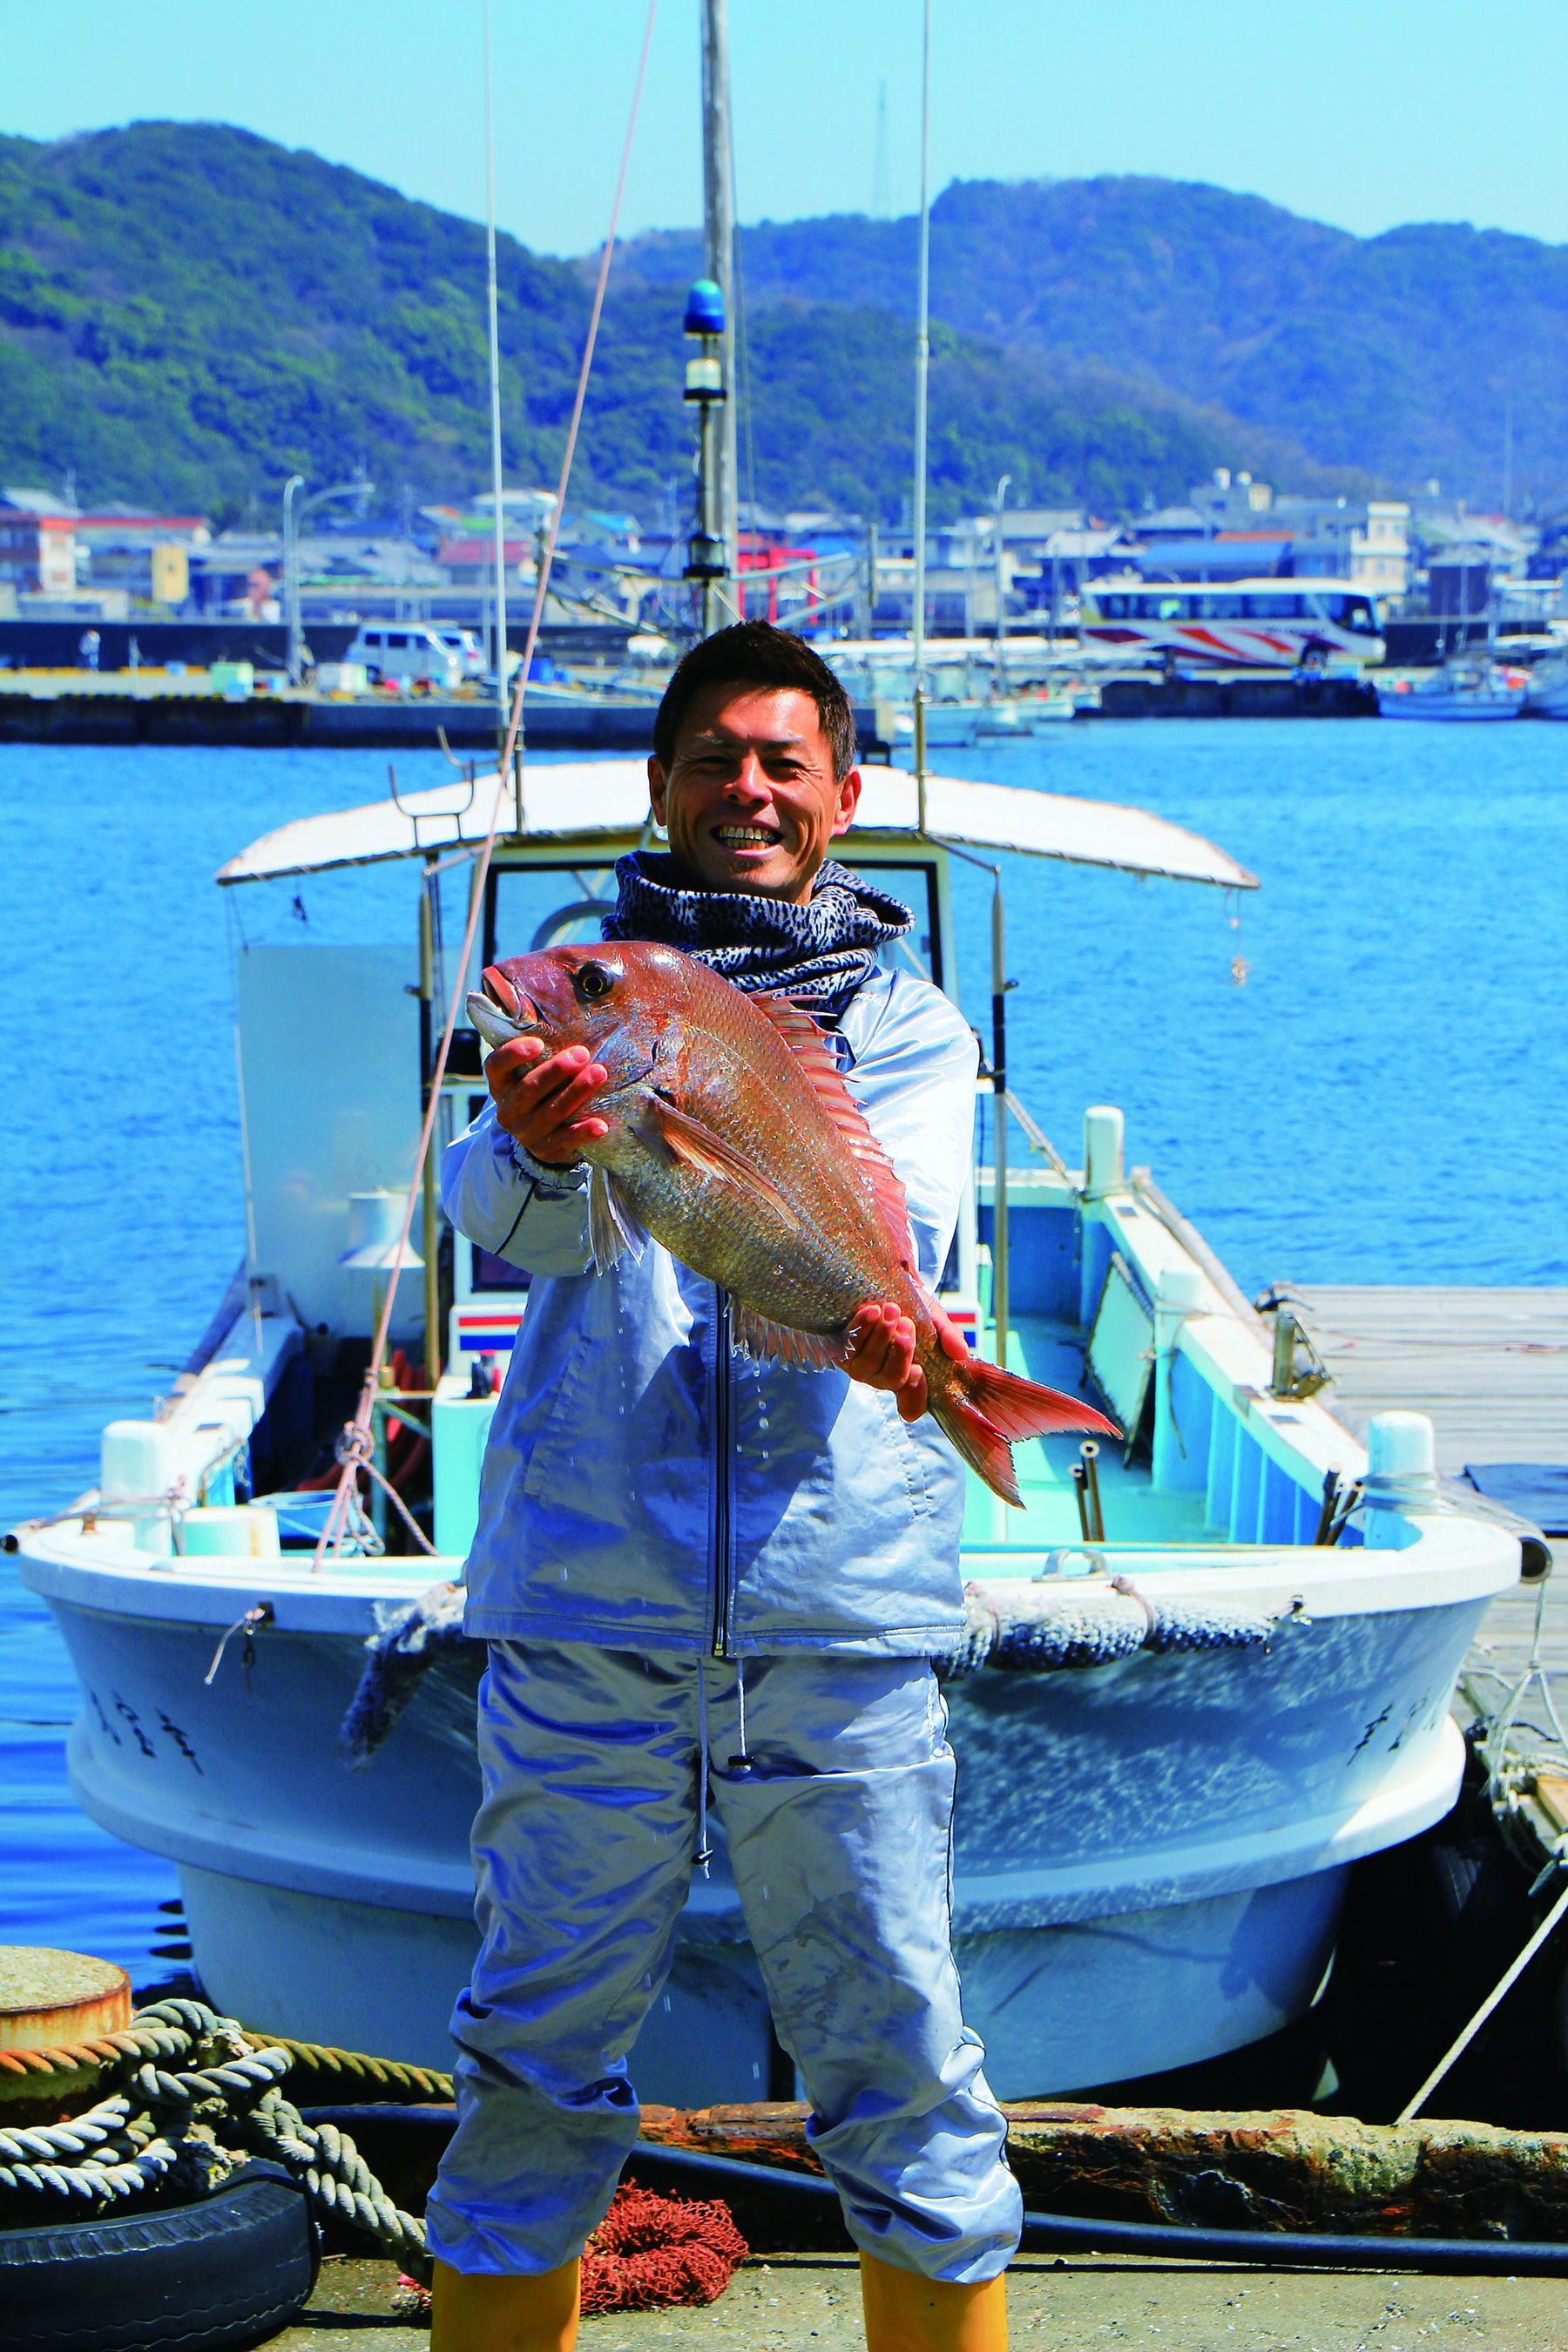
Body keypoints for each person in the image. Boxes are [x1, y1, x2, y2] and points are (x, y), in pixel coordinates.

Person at [428, 621, 1020, 2351]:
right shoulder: (577, 995)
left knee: (901, 2061)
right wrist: (544, 1144)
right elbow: (508, 1222)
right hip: (587, 1605)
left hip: (839, 1600)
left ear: (846, 793)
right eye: (712, 756)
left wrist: (895, 1338)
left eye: (784, 759)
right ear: (661, 787)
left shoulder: (906, 1026)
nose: (747, 787)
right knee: (530, 2063)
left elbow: (870, 1243)